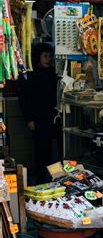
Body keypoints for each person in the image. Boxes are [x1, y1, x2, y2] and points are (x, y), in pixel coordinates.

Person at [18, 43, 61, 184]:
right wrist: (29, 119)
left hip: (54, 118)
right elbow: (25, 100)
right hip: (38, 119)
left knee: (56, 150)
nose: (48, 59)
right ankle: (42, 181)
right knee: (41, 151)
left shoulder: (54, 74)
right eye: (45, 56)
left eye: (50, 56)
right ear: (37, 57)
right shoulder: (29, 76)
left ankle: (57, 179)